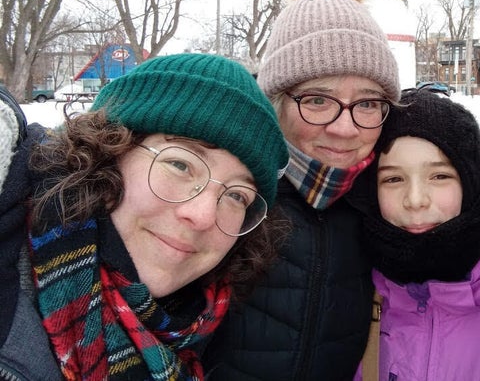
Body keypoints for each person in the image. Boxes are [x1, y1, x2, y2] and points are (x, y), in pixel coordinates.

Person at [0, 53, 289, 380]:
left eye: (237, 195)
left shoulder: (200, 325)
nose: (204, 215)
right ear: (108, 151)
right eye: (180, 165)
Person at [202, 0, 401, 380]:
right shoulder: (230, 196)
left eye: (367, 103)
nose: (345, 128)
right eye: (316, 100)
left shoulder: (387, 198)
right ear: (276, 103)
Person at [348, 88, 480, 381]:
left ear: (469, 181)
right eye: (393, 179)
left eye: (439, 176)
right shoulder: (355, 277)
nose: (416, 199)